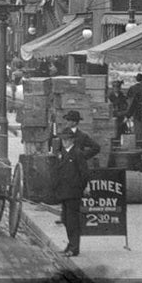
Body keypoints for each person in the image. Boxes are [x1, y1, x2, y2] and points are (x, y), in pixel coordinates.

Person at [50, 109, 101, 257]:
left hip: (73, 190)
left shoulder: (80, 142)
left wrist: (82, 158)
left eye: (66, 140)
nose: (64, 141)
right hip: (64, 189)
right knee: (66, 219)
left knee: (72, 220)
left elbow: (85, 172)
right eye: (63, 140)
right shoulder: (64, 145)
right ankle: (71, 245)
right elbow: (58, 158)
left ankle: (74, 247)